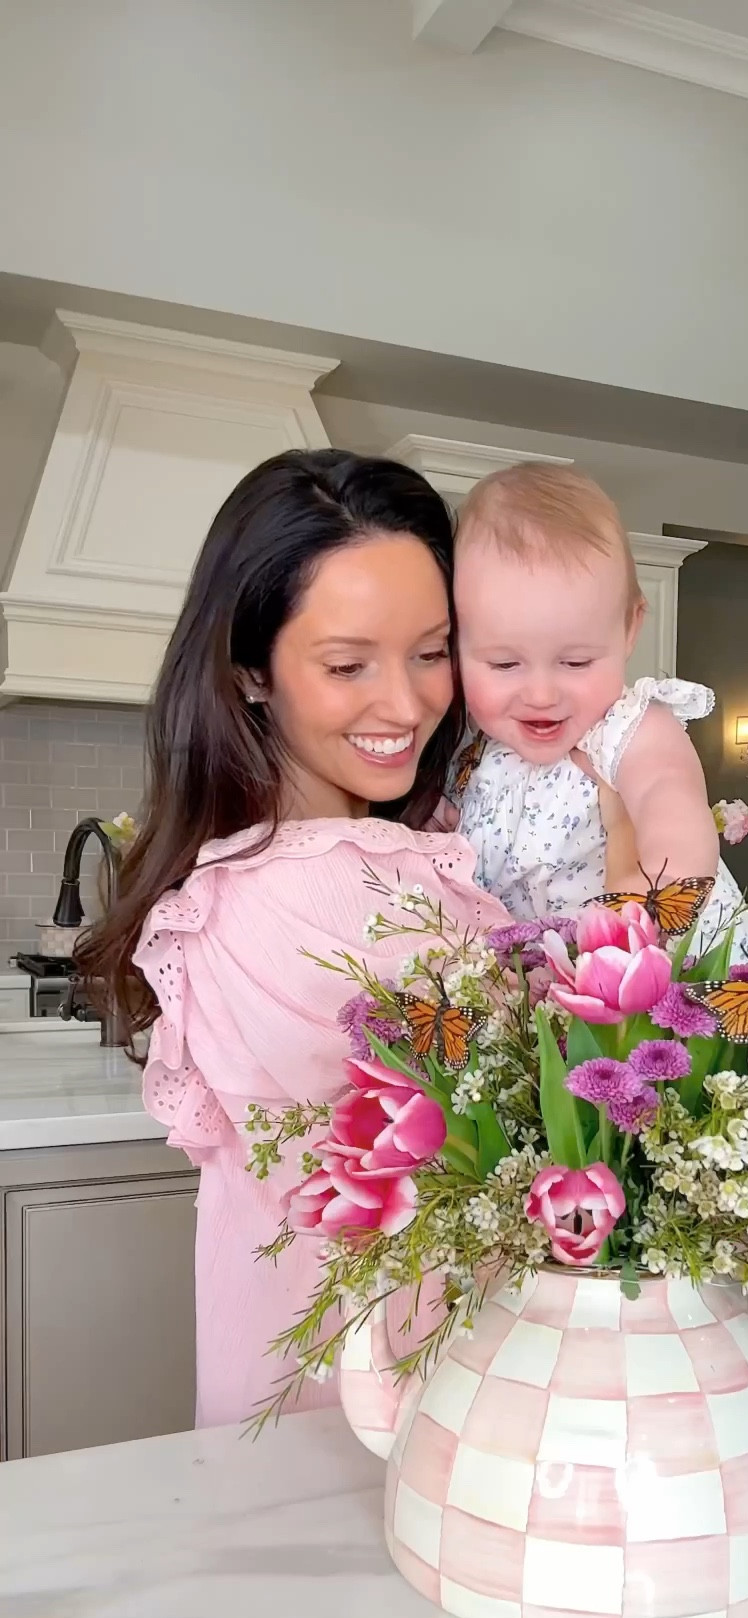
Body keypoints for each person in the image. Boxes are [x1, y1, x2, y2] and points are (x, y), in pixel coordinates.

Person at [81, 449, 509, 1430]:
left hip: (375, 1399)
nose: (405, 704)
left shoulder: (406, 853)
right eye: (348, 664)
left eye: (432, 650)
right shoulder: (277, 903)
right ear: (251, 676)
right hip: (362, 1414)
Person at [449, 462, 748, 960]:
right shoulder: (474, 751)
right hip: (542, 991)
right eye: (505, 663)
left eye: (575, 661)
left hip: (655, 966)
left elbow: (672, 807)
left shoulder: (628, 727)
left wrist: (638, 906)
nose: (542, 693)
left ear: (630, 628)